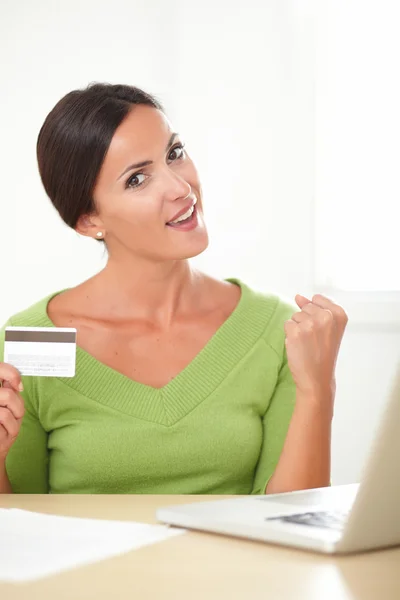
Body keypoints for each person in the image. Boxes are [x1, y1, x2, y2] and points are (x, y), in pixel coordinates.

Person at [0, 83, 348, 495]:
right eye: (137, 179)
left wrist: (318, 389)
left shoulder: (276, 329)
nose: (181, 189)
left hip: (234, 563)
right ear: (89, 221)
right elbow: (21, 527)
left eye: (174, 154)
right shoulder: (33, 341)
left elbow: (291, 519)